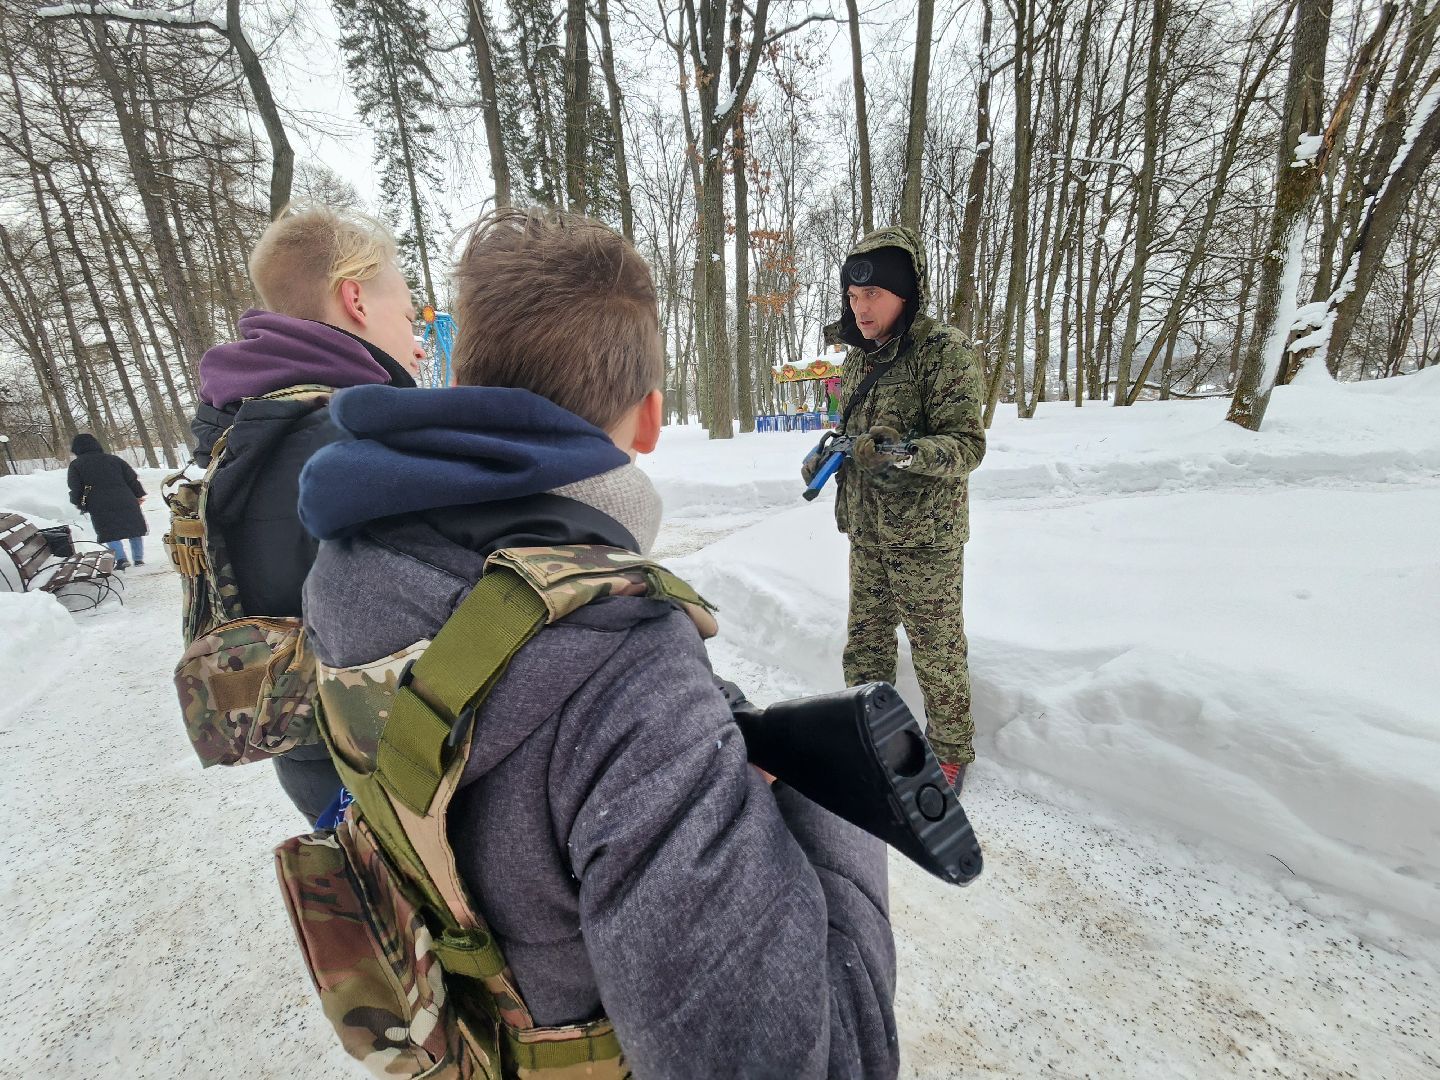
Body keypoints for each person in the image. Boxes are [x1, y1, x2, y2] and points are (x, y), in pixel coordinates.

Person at [296, 209, 899, 1077]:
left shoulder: (351, 560)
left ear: (468, 376)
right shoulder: (626, 664)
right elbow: (829, 1059)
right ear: (649, 420)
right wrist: (836, 804)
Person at [188, 206, 424, 824]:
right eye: (408, 313)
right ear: (355, 300)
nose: (418, 339)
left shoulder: (242, 423)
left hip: (306, 749)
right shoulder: (348, 437)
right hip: (385, 761)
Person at [807, 226, 986, 792]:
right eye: (854, 296)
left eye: (874, 296)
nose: (861, 308)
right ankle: (865, 725)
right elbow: (850, 429)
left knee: (935, 645)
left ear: (905, 294)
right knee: (868, 639)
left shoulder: (945, 352)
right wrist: (827, 452)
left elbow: (967, 446)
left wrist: (905, 452)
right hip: (866, 527)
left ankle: (951, 749)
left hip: (924, 534)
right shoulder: (859, 359)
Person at [67, 433, 147, 568]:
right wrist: (138, 494)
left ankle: (122, 559)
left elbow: (75, 487)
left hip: (98, 503)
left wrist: (78, 502)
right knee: (134, 528)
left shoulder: (76, 465)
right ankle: (138, 559)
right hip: (125, 498)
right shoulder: (114, 459)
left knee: (110, 532)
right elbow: (131, 479)